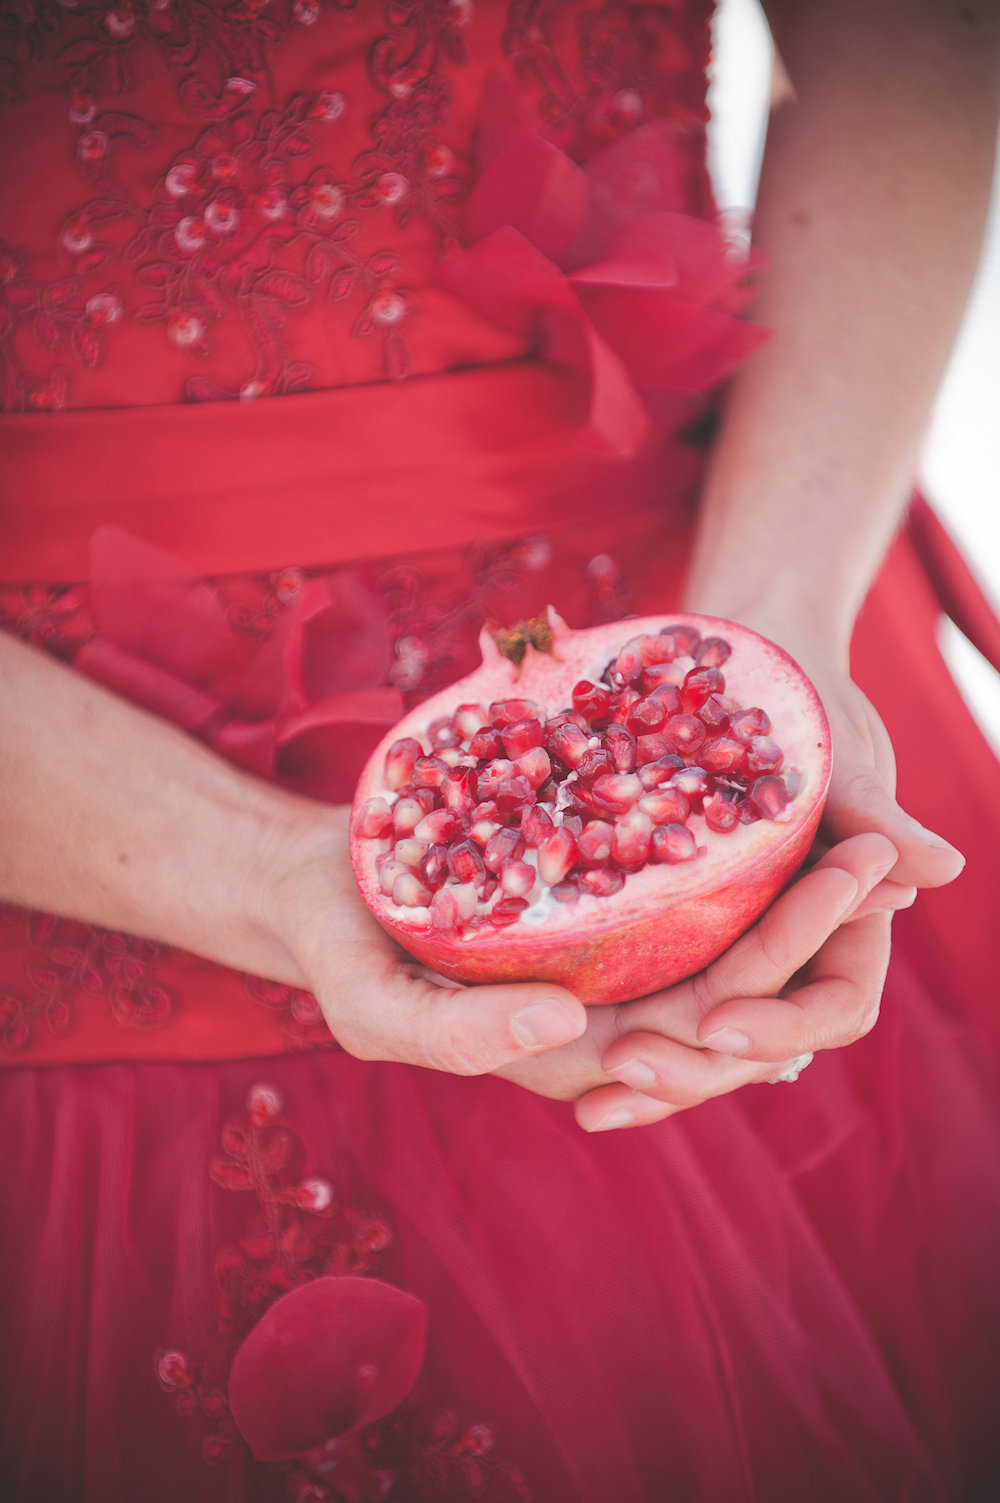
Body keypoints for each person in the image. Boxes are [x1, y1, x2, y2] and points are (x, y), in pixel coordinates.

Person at [1, 0, 999, 1499]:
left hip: (725, 561)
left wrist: (776, 616)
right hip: (68, 807)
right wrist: (259, 872)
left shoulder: (754, 675)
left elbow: (921, 41)